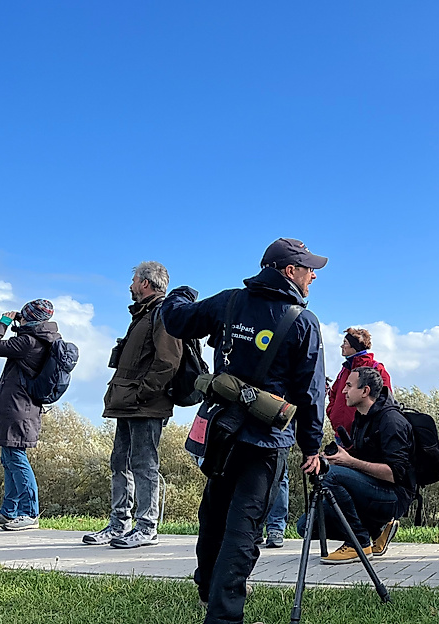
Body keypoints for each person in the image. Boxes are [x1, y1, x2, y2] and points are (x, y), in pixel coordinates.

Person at [160, 237, 327, 624]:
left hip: (223, 429)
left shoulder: (229, 302)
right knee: (245, 527)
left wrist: (181, 293)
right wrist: (312, 446)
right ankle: (224, 613)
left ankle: (207, 585)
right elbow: (311, 393)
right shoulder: (303, 321)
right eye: (309, 269)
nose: (313, 276)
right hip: (267, 441)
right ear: (290, 272)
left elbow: (177, 319)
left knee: (215, 510)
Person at [83, 262, 183, 549]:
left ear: (146, 283)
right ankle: (118, 525)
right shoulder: (142, 315)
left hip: (146, 404)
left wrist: (142, 393)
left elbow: (168, 362)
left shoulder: (163, 314)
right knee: (120, 462)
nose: (130, 285)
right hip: (128, 402)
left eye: (134, 280)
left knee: (143, 463)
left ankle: (146, 527)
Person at [302, 367, 413, 563]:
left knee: (332, 476)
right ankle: (377, 530)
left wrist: (350, 462)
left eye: (349, 386)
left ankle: (359, 543)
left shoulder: (391, 421)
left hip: (394, 497)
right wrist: (332, 459)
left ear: (365, 391)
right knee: (306, 524)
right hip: (372, 490)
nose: (343, 391)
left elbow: (396, 474)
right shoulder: (361, 418)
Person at [0, 299, 62, 532]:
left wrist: (4, 321)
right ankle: (8, 511)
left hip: (18, 410)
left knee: (16, 459)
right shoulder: (42, 339)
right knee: (9, 459)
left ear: (29, 317)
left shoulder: (28, 342)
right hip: (19, 408)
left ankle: (28, 513)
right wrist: (21, 323)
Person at [326, 328, 392, 436]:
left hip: (365, 435)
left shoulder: (376, 368)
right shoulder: (344, 370)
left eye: (345, 343)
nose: (341, 346)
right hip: (341, 434)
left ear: (354, 346)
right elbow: (333, 393)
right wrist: (333, 414)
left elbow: (385, 399)